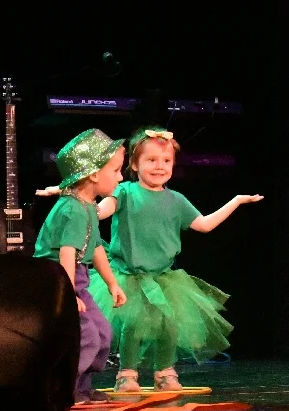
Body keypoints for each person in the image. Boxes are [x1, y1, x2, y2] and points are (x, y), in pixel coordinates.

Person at [38, 126, 262, 393]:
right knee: (132, 324)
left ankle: (165, 372)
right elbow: (97, 210)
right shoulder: (125, 192)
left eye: (166, 161)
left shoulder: (176, 200)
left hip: (164, 278)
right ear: (134, 164)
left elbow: (204, 224)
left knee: (169, 324)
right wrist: (68, 192)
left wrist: (235, 201)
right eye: (152, 160)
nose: (160, 166)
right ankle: (126, 374)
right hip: (130, 275)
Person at [32, 128, 128, 404]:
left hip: (77, 278)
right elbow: (67, 253)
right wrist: (69, 293)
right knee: (85, 337)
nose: (120, 178)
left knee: (103, 334)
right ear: (94, 174)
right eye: (115, 170)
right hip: (58, 280)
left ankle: (81, 388)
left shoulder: (88, 206)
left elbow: (95, 248)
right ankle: (61, 389)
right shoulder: (73, 209)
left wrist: (112, 283)